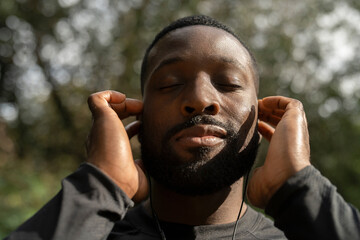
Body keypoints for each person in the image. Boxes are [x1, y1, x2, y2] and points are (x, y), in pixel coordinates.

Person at [5, 15, 360, 240]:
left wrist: (299, 187)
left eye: (228, 83)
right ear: (136, 114)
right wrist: (103, 183)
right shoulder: (88, 230)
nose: (201, 99)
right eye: (170, 83)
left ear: (262, 113)